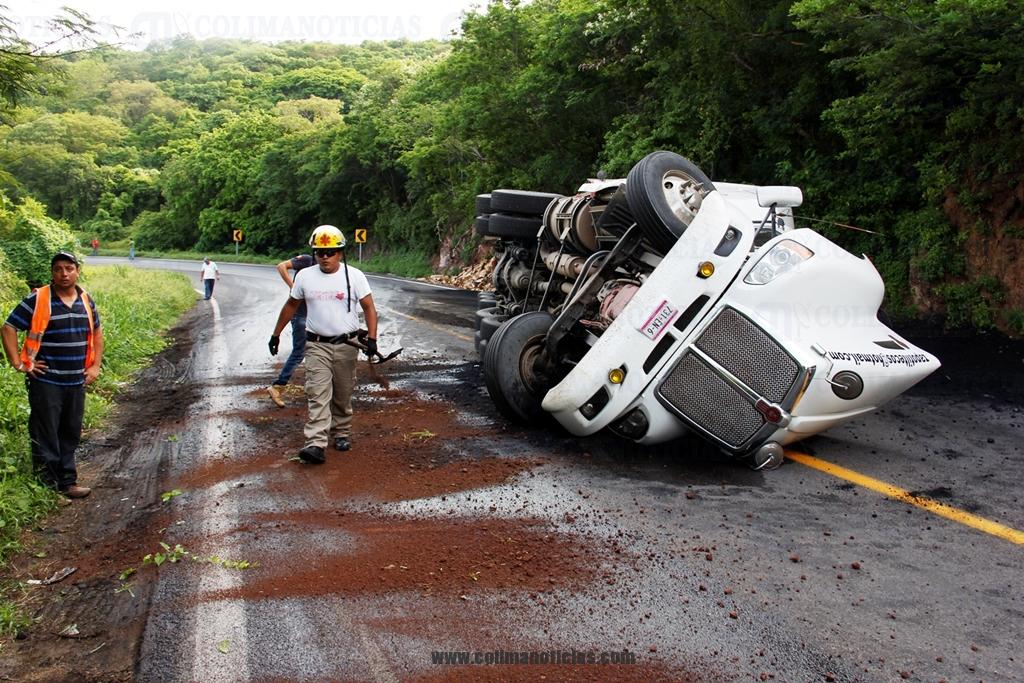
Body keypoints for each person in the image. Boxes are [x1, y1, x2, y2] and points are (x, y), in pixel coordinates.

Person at [268, 225, 378, 464]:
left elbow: (369, 308)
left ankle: (342, 432)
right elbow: (291, 306)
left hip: (347, 343)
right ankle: (316, 442)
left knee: (343, 391)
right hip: (316, 344)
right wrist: (276, 334)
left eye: (330, 252)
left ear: (340, 253)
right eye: (320, 252)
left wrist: (372, 339)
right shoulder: (305, 276)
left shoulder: (355, 276)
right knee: (317, 392)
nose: (325, 257)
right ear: (314, 253)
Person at [1, 252, 104, 501]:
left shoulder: (86, 300)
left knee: (70, 431)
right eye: (58, 269)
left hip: (76, 380)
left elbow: (97, 333)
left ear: (77, 271)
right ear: (52, 273)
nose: (64, 274)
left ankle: (68, 481)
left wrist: (95, 367)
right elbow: (8, 327)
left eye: (69, 268)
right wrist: (19, 363)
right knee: (45, 432)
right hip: (47, 381)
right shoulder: (39, 298)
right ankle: (47, 486)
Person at [267, 251, 315, 408]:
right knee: (299, 352)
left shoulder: (327, 269)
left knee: (318, 349)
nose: (326, 256)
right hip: (300, 315)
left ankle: (313, 386)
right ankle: (278, 386)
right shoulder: (308, 260)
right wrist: (293, 287)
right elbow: (282, 266)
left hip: (314, 316)